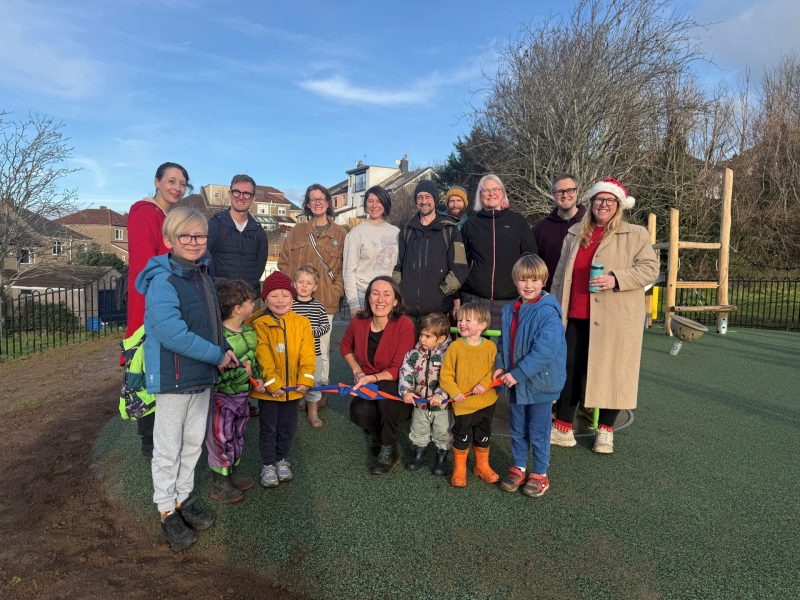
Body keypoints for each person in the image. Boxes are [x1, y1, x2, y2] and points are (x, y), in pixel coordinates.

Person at [135, 207, 237, 551]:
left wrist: (224, 349)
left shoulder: (202, 275)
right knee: (168, 449)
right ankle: (166, 510)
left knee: (193, 443)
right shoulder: (164, 280)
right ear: (169, 240)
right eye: (186, 236)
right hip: (174, 378)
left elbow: (211, 323)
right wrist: (216, 355)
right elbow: (172, 334)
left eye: (200, 236)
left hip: (200, 376)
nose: (195, 242)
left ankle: (182, 499)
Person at [550, 178, 659, 454]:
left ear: (619, 205)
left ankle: (606, 432)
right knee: (569, 369)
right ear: (591, 202)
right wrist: (552, 310)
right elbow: (560, 276)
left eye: (610, 200)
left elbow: (649, 270)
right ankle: (563, 427)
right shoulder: (575, 232)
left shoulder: (635, 234)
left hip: (615, 318)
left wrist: (616, 278)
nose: (604, 204)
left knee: (613, 371)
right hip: (574, 314)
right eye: (599, 199)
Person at [127, 162, 192, 458]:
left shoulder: (168, 215)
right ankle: (149, 441)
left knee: (164, 366)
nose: (177, 187)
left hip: (167, 297)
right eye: (172, 181)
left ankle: (162, 434)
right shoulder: (144, 213)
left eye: (182, 183)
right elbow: (145, 264)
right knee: (148, 363)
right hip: (151, 301)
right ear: (156, 181)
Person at [494, 255, 566, 498]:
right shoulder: (510, 310)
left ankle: (541, 473)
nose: (528, 285)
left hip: (539, 382)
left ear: (543, 281)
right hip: (516, 381)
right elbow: (504, 342)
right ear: (516, 281)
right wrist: (501, 366)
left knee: (538, 429)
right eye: (523, 280)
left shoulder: (547, 312)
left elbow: (545, 350)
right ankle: (519, 466)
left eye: (534, 280)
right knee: (518, 427)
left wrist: (519, 373)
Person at [278, 183, 346, 415]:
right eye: (312, 199)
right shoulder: (297, 232)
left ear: (328, 202)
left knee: (321, 350)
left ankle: (318, 391)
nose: (317, 202)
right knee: (295, 347)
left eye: (321, 198)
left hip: (324, 301)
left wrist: (336, 291)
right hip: (297, 303)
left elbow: (344, 269)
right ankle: (298, 389)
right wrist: (291, 291)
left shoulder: (340, 233)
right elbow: (283, 262)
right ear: (307, 204)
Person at [340, 276, 416, 475]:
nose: (380, 299)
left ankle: (389, 448)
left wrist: (370, 378)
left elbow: (398, 368)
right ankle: (378, 434)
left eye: (387, 294)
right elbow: (345, 347)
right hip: (368, 384)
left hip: (396, 387)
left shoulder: (405, 324)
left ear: (396, 301)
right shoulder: (359, 321)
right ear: (368, 298)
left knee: (385, 392)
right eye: (375, 293)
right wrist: (357, 370)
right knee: (359, 412)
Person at [250, 271, 316, 487]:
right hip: (270, 391)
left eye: (285, 295)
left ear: (293, 296)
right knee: (268, 428)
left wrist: (305, 380)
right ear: (265, 298)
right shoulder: (260, 323)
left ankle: (281, 459)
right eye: (274, 296)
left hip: (293, 389)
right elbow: (263, 354)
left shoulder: (302, 323)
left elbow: (308, 354)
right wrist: (272, 383)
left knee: (287, 427)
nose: (280, 300)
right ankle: (268, 464)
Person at [205, 278, 264, 505]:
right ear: (237, 308)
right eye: (251, 302)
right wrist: (241, 373)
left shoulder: (248, 331)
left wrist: (256, 377)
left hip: (242, 396)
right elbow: (215, 373)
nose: (254, 305)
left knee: (238, 434)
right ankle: (219, 482)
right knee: (221, 437)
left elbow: (253, 360)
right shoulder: (219, 337)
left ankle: (232, 472)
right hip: (222, 397)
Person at [459, 174, 538, 329]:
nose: (491, 193)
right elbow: (460, 261)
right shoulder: (470, 225)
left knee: (505, 350)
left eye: (495, 189)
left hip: (510, 300)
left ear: (503, 193)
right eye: (486, 190)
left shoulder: (518, 221)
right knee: (475, 350)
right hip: (475, 299)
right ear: (479, 195)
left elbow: (530, 257)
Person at [439, 303, 500, 488]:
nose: (461, 323)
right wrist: (455, 392)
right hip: (463, 404)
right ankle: (460, 469)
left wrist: (484, 384)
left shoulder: (490, 347)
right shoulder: (455, 347)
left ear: (482, 325)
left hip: (487, 401)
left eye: (467, 320)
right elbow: (446, 375)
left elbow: (494, 370)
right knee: (462, 436)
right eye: (460, 319)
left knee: (483, 434)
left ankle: (481, 466)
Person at [392, 180, 468, 326]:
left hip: (437, 313)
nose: (424, 201)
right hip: (407, 313)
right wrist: (401, 292)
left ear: (435, 200)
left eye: (428, 197)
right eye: (420, 197)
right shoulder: (406, 231)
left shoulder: (450, 231)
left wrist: (442, 292)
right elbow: (397, 267)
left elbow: (460, 269)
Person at [399, 312, 453, 476]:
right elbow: (405, 371)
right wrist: (406, 391)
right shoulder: (413, 354)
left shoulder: (449, 355)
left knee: (442, 432)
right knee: (418, 429)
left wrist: (441, 395)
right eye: (421, 334)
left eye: (428, 336)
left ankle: (441, 458)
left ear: (441, 339)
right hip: (420, 403)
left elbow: (452, 377)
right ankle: (419, 455)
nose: (422, 339)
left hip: (442, 406)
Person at [342, 186, 400, 316]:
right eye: (370, 201)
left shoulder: (396, 232)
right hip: (364, 295)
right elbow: (348, 270)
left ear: (385, 204)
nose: (374, 205)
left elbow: (398, 267)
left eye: (379, 201)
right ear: (365, 204)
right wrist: (354, 303)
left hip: (388, 296)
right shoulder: (356, 233)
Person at [207, 174, 268, 294]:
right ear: (230, 194)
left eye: (246, 193)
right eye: (237, 192)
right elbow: (204, 260)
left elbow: (260, 266)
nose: (241, 197)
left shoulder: (258, 232)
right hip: (219, 299)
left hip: (248, 301)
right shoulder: (215, 225)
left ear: (253, 198)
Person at [290, 266, 331, 428]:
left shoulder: (318, 306)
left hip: (313, 354)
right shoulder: (290, 305)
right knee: (293, 381)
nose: (304, 286)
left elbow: (325, 326)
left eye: (309, 283)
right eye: (301, 282)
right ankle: (294, 407)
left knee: (312, 383)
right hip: (293, 354)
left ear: (315, 287)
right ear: (294, 284)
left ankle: (312, 413)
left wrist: (310, 332)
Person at [532, 174, 586, 291]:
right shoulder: (540, 228)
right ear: (553, 195)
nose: (565, 195)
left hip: (582, 294)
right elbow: (534, 265)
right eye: (560, 191)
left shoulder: (590, 224)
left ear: (577, 191)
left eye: (570, 190)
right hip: (550, 295)